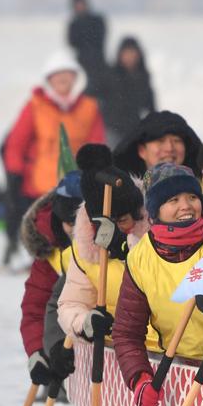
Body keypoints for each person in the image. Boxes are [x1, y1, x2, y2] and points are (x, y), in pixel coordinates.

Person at [112, 163, 203, 406]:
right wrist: (140, 379)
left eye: (192, 197)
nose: (186, 206)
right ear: (156, 210)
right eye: (173, 199)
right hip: (176, 371)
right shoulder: (140, 258)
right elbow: (126, 333)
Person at [3, 50, 105, 268]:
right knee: (43, 230)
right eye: (57, 75)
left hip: (75, 184)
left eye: (68, 74)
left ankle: (74, 265)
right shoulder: (35, 106)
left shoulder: (89, 107)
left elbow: (97, 145)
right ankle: (32, 260)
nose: (63, 79)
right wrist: (14, 173)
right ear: (49, 79)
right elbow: (16, 143)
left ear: (76, 78)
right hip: (39, 185)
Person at [57, 145, 148, 345]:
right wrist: (85, 323)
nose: (118, 228)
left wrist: (129, 249)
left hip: (160, 351)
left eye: (123, 219)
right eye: (109, 223)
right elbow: (71, 304)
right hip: (115, 352)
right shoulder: (84, 249)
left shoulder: (156, 242)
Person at [19, 172, 84, 389]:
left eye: (83, 222)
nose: (77, 230)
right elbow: (35, 307)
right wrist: (38, 351)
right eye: (70, 222)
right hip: (63, 347)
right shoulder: (50, 252)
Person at [100, 37, 156, 147]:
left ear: (139, 55)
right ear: (120, 55)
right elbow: (97, 97)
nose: (129, 57)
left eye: (133, 54)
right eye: (126, 54)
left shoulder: (143, 76)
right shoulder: (110, 74)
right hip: (111, 128)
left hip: (133, 129)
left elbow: (150, 104)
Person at [114, 110, 202, 179]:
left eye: (177, 140)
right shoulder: (117, 195)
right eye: (161, 141)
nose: (169, 148)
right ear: (142, 151)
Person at [67, 0, 107, 97]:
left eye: (81, 4)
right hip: (82, 64)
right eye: (77, 5)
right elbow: (71, 42)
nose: (80, 7)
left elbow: (100, 38)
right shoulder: (74, 23)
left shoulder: (97, 20)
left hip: (98, 63)